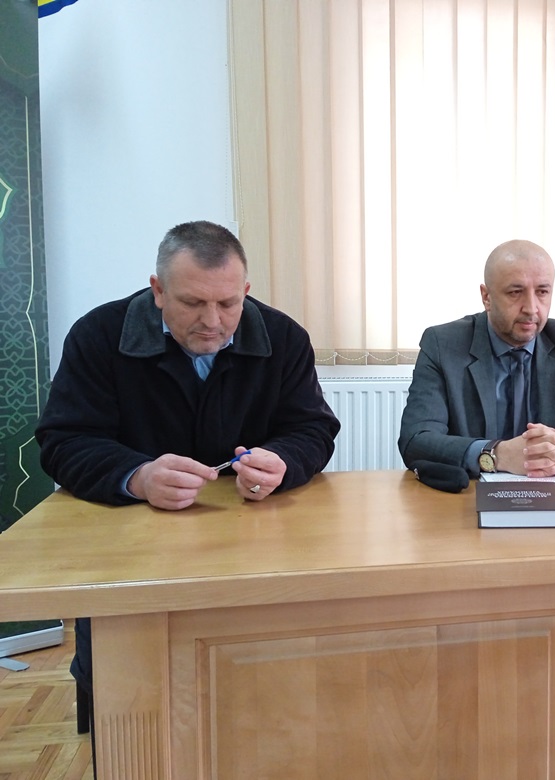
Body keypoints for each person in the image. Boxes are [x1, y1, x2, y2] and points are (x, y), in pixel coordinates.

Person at [35, 220, 340, 726]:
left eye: (228, 303)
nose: (212, 321)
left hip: (248, 546)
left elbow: (312, 428)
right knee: (129, 695)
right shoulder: (99, 335)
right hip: (126, 550)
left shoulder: (283, 336)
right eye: (193, 303)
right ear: (158, 290)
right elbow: (64, 440)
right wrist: (137, 476)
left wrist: (282, 461)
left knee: (251, 693)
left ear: (246, 291)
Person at [398, 239, 555, 477]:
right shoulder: (443, 344)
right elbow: (415, 440)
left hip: (554, 491)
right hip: (469, 493)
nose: (531, 308)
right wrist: (496, 454)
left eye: (542, 292)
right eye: (515, 292)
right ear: (486, 297)